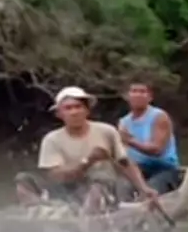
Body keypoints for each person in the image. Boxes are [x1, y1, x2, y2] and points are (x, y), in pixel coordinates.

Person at [14, 86, 157, 214]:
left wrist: (144, 188)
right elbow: (56, 176)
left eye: (78, 107)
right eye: (68, 108)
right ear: (59, 114)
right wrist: (87, 161)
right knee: (23, 179)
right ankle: (42, 213)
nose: (74, 112)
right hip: (67, 189)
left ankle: (87, 218)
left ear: (87, 110)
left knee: (100, 180)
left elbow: (125, 163)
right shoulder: (51, 139)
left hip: (101, 186)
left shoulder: (106, 131)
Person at [114, 82, 182, 201]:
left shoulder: (159, 116)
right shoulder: (123, 122)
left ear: (150, 98)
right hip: (137, 170)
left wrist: (130, 140)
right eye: (134, 91)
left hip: (163, 168)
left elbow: (157, 150)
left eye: (142, 92)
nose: (138, 95)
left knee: (149, 193)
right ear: (127, 96)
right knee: (121, 189)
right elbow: (124, 155)